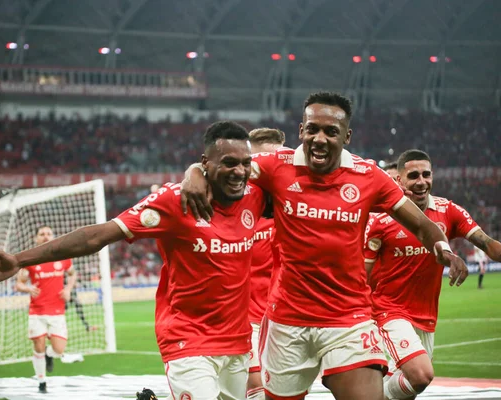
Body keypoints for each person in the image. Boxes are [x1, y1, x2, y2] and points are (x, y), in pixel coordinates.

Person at [180, 92, 468, 400]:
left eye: (331, 131)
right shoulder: (276, 165)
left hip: (348, 317)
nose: (319, 138)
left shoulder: (368, 175)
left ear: (347, 136)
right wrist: (193, 173)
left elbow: (423, 225)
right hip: (287, 321)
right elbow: (225, 167)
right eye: (313, 129)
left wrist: (442, 247)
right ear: (301, 130)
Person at [0, 121, 266, 400]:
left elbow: (293, 166)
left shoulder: (256, 196)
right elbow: (96, 237)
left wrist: (194, 171)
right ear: (206, 162)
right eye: (228, 163)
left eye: (244, 164)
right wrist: (19, 259)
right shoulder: (175, 202)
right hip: (190, 339)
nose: (239, 171)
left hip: (238, 342)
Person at [364, 149, 501, 400]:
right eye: (413, 175)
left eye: (426, 174)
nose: (421, 181)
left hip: (425, 316)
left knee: (411, 386)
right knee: (421, 374)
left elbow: (488, 244)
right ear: (399, 181)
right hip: (388, 310)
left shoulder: (448, 210)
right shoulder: (381, 220)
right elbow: (363, 274)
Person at [15, 225, 83, 394]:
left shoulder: (63, 258)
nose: (45, 236)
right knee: (38, 345)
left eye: (48, 233)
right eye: (42, 234)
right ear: (36, 239)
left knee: (59, 349)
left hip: (57, 312)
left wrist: (68, 289)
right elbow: (19, 283)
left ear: (53, 236)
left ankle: (48, 353)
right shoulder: (30, 260)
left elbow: (73, 274)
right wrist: (27, 288)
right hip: (37, 312)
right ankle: (42, 381)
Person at [246, 128, 285, 400]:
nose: (265, 166)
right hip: (245, 319)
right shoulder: (234, 205)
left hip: (286, 317)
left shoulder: (298, 204)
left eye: (272, 159)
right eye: (258, 160)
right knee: (256, 388)